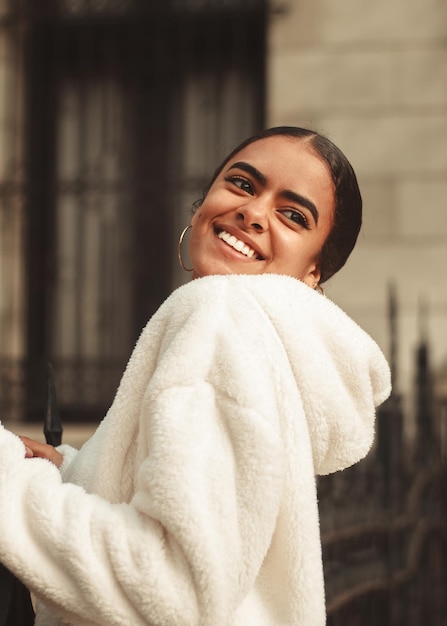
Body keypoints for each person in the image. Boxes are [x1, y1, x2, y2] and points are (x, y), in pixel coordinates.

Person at [0, 126, 391, 625]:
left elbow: (171, 587)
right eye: (243, 184)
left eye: (293, 215)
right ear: (204, 199)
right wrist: (73, 471)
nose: (253, 211)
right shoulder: (271, 343)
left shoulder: (222, 315)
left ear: (315, 270)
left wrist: (8, 479)